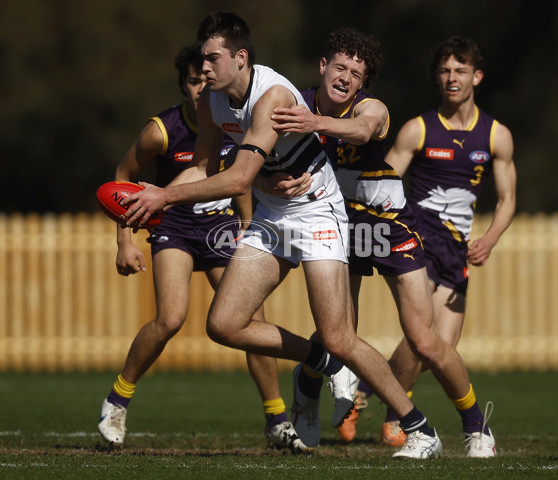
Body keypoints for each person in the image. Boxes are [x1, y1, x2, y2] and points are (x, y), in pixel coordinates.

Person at [122, 11, 442, 459]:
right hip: (274, 213)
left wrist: (162, 199)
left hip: (318, 213)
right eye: (201, 60)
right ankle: (318, 363)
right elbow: (200, 167)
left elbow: (236, 181)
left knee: (338, 335)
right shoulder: (211, 101)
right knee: (224, 324)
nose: (204, 69)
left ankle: (419, 427)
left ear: (241, 57)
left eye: (212, 59)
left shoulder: (271, 95)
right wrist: (150, 198)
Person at [270, 28, 498, 458]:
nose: (346, 78)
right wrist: (273, 178)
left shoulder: (370, 108)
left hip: (387, 223)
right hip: (335, 225)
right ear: (323, 67)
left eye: (357, 73)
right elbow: (254, 153)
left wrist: (314, 124)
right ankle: (308, 384)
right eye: (340, 67)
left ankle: (476, 427)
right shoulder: (290, 102)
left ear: (363, 83)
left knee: (424, 340)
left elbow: (362, 130)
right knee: (337, 334)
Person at [97, 43, 307, 452]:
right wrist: (124, 240)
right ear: (184, 87)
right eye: (193, 81)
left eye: (204, 79)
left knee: (248, 319)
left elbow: (242, 182)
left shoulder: (235, 119)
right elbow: (123, 175)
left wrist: (249, 229)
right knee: (171, 318)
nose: (200, 87)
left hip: (220, 226)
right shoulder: (162, 129)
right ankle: (117, 401)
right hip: (173, 223)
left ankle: (277, 420)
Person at [340, 35, 516, 457]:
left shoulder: (496, 135)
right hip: (418, 237)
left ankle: (374, 389)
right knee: (424, 339)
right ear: (436, 78)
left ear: (477, 76)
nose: (451, 78)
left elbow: (508, 199)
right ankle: (439, 424)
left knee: (440, 347)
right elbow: (381, 180)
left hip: (456, 250)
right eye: (444, 71)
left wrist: (489, 240)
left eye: (460, 70)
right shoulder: (418, 128)